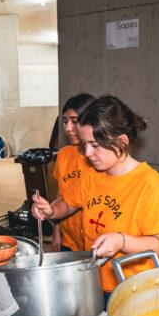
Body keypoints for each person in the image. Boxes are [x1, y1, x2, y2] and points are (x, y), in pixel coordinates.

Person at [32, 95, 159, 295]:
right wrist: (51, 210)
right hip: (96, 280)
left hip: (132, 287)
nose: (87, 153)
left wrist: (120, 241)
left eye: (95, 145)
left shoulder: (152, 186)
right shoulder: (92, 176)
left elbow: (157, 246)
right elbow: (69, 203)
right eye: (84, 144)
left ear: (122, 141)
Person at [51, 93, 95, 252]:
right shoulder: (63, 154)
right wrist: (57, 233)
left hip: (94, 243)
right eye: (64, 121)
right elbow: (59, 194)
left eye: (75, 121)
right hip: (68, 239)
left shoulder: (100, 159)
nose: (68, 128)